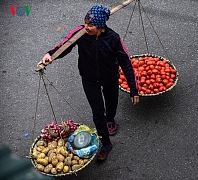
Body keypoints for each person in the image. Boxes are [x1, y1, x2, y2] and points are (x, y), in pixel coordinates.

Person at [37, 5, 139, 160]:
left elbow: (126, 62)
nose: (86, 27)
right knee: (98, 112)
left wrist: (134, 89)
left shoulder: (113, 39)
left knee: (111, 102)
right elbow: (65, 45)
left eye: (90, 25)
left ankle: (111, 120)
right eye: (85, 23)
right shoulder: (80, 33)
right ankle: (106, 144)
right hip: (89, 79)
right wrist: (50, 55)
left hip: (110, 77)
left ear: (100, 26)